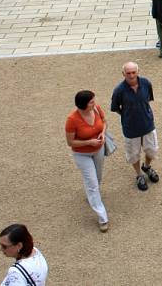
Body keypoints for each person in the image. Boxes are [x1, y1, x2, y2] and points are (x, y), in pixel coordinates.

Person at [111, 62, 160, 191]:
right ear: (123, 74)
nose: (131, 75)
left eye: (134, 72)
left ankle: (147, 167)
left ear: (138, 71)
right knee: (133, 154)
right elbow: (115, 108)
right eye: (128, 73)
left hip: (148, 124)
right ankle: (139, 175)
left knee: (152, 149)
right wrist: (127, 115)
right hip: (131, 128)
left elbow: (148, 99)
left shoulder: (146, 83)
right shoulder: (119, 91)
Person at [65, 90, 109, 231]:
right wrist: (89, 142)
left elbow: (104, 121)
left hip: (98, 150)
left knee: (98, 177)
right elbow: (70, 142)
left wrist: (102, 133)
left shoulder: (96, 109)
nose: (94, 103)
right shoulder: (72, 120)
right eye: (91, 102)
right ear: (84, 104)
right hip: (82, 155)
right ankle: (103, 218)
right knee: (92, 184)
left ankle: (91, 196)